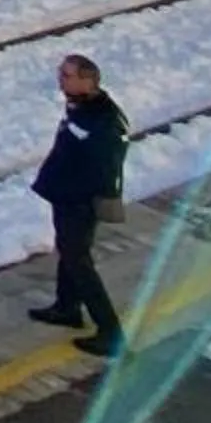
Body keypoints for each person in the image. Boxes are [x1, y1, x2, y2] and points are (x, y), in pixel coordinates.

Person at [27, 51, 129, 357]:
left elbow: (107, 165)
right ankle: (67, 307)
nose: (61, 80)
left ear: (88, 81)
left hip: (79, 201)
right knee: (70, 253)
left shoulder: (103, 119)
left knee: (79, 262)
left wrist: (88, 196)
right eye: (61, 73)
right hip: (67, 194)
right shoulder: (83, 106)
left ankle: (110, 331)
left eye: (68, 75)